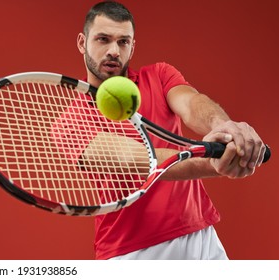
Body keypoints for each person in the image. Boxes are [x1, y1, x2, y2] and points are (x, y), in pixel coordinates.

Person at [71, 1, 266, 259]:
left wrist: (224, 128)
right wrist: (215, 163)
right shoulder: (72, 121)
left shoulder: (160, 75)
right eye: (103, 39)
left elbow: (192, 103)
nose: (113, 51)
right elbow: (141, 161)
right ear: (82, 42)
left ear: (133, 46)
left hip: (201, 235)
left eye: (123, 42)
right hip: (133, 252)